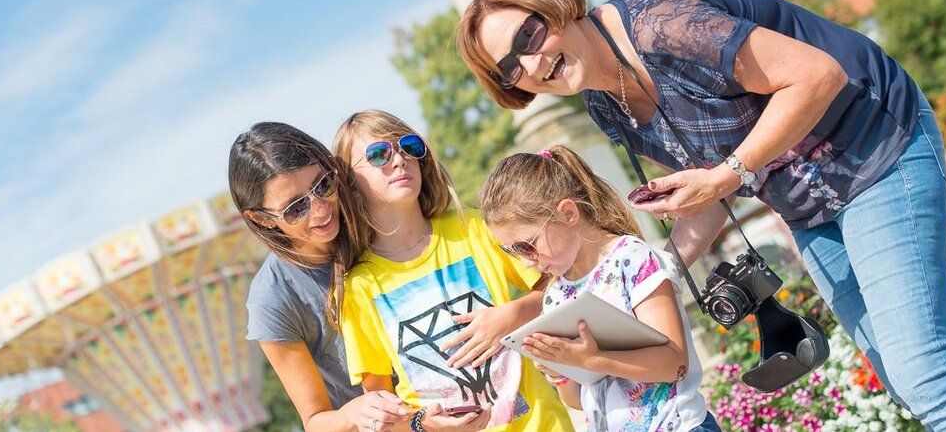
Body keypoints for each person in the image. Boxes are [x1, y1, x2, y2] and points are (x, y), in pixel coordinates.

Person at [455, 0, 946, 431]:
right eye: (510, 68)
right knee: (900, 379)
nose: (530, 64)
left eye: (528, 37)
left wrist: (729, 174)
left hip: (874, 145)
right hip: (807, 205)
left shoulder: (661, 23)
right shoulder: (607, 107)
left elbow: (817, 76)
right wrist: (650, 279)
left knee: (926, 375)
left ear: (555, 8)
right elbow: (702, 198)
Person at [332, 110, 574, 432]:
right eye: (379, 154)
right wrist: (422, 424)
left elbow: (562, 286)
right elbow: (379, 405)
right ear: (349, 182)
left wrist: (514, 313)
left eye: (409, 146)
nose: (400, 160)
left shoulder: (472, 227)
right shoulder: (358, 287)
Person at [478, 145, 722, 432]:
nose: (525, 262)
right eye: (511, 251)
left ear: (568, 213)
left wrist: (592, 359)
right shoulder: (556, 295)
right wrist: (560, 371)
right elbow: (580, 400)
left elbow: (674, 365)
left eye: (526, 246)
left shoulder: (633, 260)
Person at [229, 122, 412, 432]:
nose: (320, 209)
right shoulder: (273, 299)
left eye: (323, 185)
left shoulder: (375, 218)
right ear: (261, 218)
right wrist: (354, 412)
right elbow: (315, 420)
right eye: (296, 207)